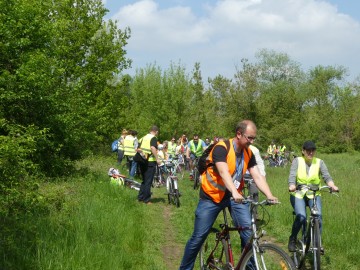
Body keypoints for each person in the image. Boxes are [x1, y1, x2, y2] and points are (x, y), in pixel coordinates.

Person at [179, 120, 278, 270]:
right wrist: (233, 191)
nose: (251, 141)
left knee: (247, 232)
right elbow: (224, 172)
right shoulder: (222, 148)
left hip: (233, 197)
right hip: (211, 197)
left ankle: (249, 267)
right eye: (249, 138)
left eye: (253, 138)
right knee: (198, 238)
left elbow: (257, 176)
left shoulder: (248, 152)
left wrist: (269, 195)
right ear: (239, 134)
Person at [287, 140, 339, 252]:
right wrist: (292, 185)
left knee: (318, 217)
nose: (311, 152)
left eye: (313, 150)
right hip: (298, 194)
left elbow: (327, 177)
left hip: (314, 194)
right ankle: (293, 238)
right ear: (303, 151)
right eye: (308, 150)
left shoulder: (319, 162)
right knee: (301, 217)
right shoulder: (297, 161)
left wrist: (332, 185)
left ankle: (317, 243)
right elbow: (292, 176)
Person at [137, 125, 161, 205]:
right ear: (156, 131)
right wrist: (157, 158)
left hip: (142, 161)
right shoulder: (153, 138)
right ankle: (146, 200)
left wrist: (143, 155)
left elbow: (138, 149)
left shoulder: (142, 138)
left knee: (144, 180)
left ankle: (140, 197)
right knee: (148, 181)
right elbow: (153, 148)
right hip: (150, 162)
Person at [244, 144, 266, 219]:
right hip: (240, 175)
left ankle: (254, 213)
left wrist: (262, 175)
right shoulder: (235, 148)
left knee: (254, 192)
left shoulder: (254, 150)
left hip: (252, 175)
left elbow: (260, 163)